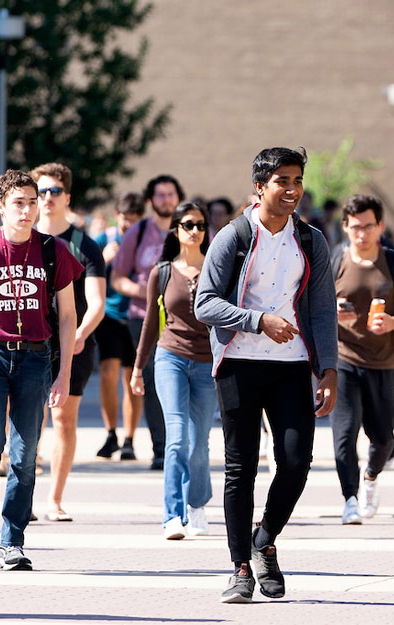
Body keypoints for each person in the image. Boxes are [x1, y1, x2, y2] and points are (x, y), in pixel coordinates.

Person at [195, 147, 337, 604]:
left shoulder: (312, 241)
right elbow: (205, 304)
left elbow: (321, 311)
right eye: (283, 181)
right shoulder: (232, 237)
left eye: (297, 180)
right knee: (240, 467)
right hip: (238, 363)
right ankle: (240, 567)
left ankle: (265, 538)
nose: (293, 189)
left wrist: (329, 368)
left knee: (296, 462)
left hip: (293, 365)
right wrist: (258, 320)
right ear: (260, 186)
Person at [0, 169, 82, 570]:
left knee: (25, 455)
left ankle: (12, 541)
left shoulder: (53, 251)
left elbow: (68, 316)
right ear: (2, 207)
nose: (28, 210)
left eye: (33, 201)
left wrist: (64, 374)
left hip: (36, 358)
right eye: (19, 203)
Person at [331, 194, 394, 525]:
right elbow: (314, 306)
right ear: (345, 227)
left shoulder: (393, 263)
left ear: (380, 226)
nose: (362, 233)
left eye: (369, 226)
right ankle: (350, 499)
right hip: (343, 360)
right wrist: (332, 312)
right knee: (344, 435)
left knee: (383, 438)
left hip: (383, 364)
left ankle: (370, 477)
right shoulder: (336, 262)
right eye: (355, 227)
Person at [132, 201, 215, 540]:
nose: (194, 231)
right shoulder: (162, 271)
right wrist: (138, 368)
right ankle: (172, 514)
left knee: (200, 444)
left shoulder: (217, 268)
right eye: (187, 225)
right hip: (171, 359)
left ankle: (196, 505)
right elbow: (151, 322)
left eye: (199, 225)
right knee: (177, 437)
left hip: (209, 362)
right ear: (177, 230)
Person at [31, 163, 106, 521]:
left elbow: (97, 305)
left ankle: (54, 500)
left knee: (63, 419)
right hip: (27, 342)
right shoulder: (20, 238)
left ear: (67, 197)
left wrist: (80, 334)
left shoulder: (83, 245)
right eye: (41, 191)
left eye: (54, 191)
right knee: (27, 419)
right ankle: (22, 497)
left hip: (73, 343)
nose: (47, 198)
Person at [112, 175, 185, 470]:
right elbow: (117, 277)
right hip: (143, 319)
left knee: (182, 381)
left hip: (184, 319)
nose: (166, 199)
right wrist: (144, 291)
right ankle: (161, 449)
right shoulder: (139, 232)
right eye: (161, 195)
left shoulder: (189, 229)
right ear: (150, 200)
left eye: (171, 194)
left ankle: (181, 444)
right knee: (154, 380)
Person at [94, 193, 145, 461]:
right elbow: (83, 271)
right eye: (125, 221)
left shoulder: (146, 240)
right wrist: (104, 258)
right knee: (108, 371)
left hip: (138, 314)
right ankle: (110, 433)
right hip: (109, 314)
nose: (128, 227)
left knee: (131, 377)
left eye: (134, 222)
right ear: (117, 215)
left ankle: (129, 438)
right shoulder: (105, 238)